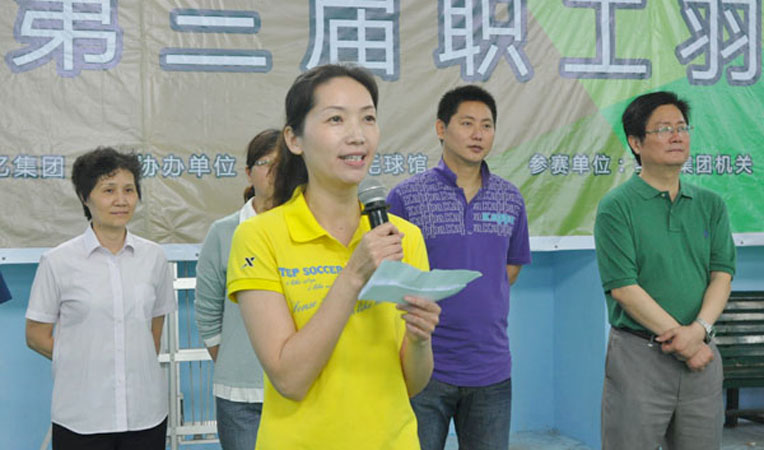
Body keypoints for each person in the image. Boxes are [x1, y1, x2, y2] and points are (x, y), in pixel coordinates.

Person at [225, 64, 441, 450]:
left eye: (368, 118)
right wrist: (353, 276)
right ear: (294, 139)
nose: (357, 135)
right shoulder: (258, 237)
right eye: (336, 119)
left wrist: (420, 339)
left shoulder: (403, 237)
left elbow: (412, 383)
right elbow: (290, 380)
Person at [387, 85, 531, 450]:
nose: (478, 134)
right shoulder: (406, 197)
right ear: (441, 128)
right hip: (423, 366)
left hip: (490, 367)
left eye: (487, 125)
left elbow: (511, 267)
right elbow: (392, 274)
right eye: (467, 123)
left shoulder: (510, 198)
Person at [594, 91, 736, 449]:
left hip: (702, 356)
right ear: (636, 142)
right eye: (663, 129)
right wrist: (686, 343)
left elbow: (721, 275)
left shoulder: (711, 205)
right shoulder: (616, 207)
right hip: (640, 357)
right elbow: (624, 288)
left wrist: (698, 332)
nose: (676, 136)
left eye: (682, 127)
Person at [25, 147, 176, 450]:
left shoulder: (153, 257)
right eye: (109, 190)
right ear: (85, 197)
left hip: (144, 415)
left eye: (129, 190)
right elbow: (36, 336)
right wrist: (82, 361)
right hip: (82, 416)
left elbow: (153, 333)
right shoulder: (58, 261)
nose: (121, 200)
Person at [194, 129, 279, 450]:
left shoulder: (308, 228)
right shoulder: (224, 232)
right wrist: (231, 360)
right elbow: (207, 308)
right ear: (248, 172)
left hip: (304, 389)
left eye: (284, 164)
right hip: (241, 397)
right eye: (265, 163)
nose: (275, 172)